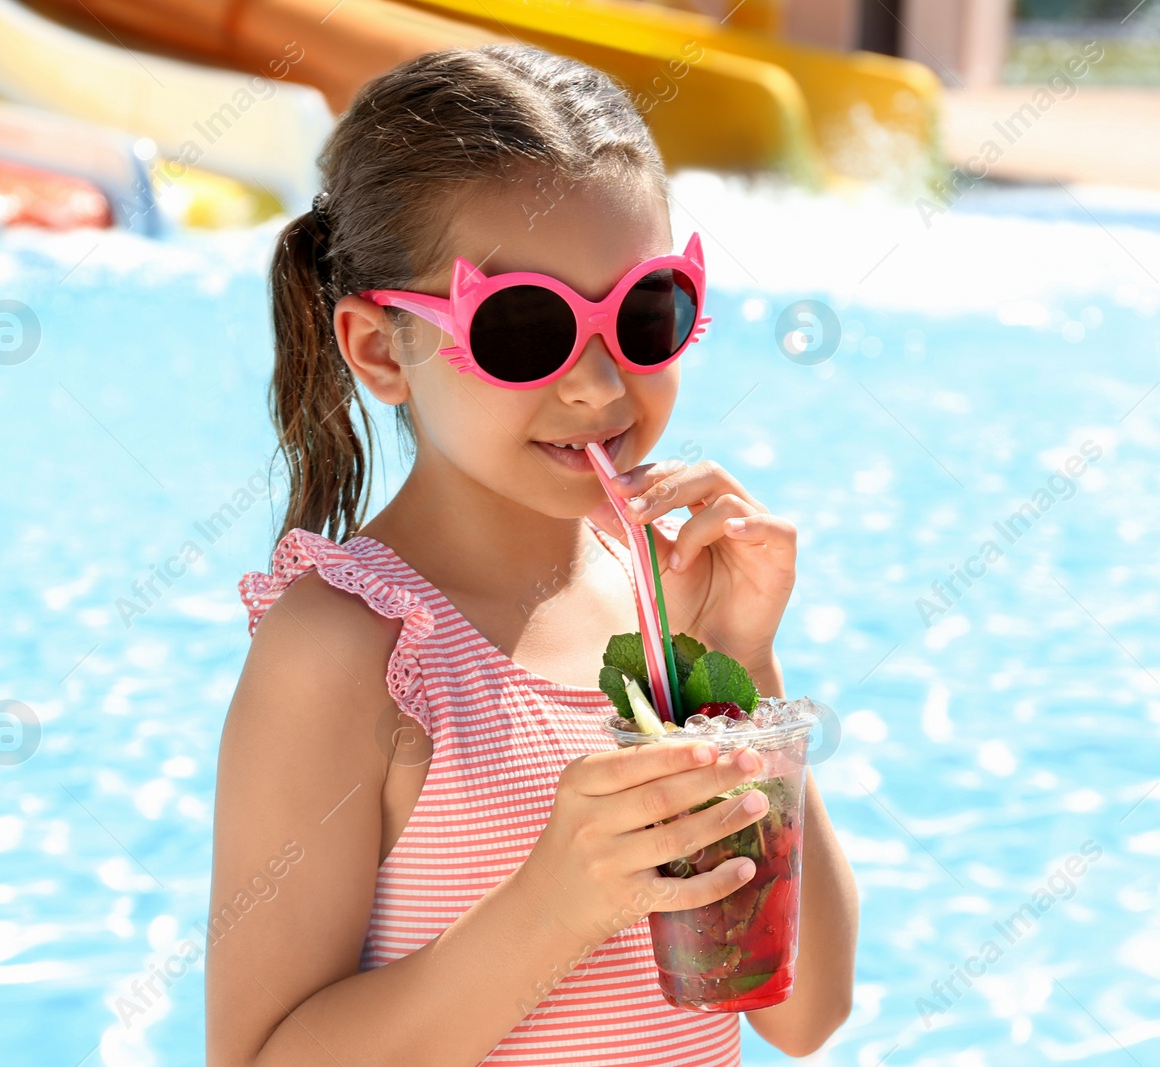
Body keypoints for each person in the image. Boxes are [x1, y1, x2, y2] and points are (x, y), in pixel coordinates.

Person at [207, 43, 857, 1067]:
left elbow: (801, 1011)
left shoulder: (660, 601)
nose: (600, 385)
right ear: (381, 349)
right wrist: (556, 903)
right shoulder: (347, 649)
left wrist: (740, 667)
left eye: (646, 313)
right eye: (524, 328)